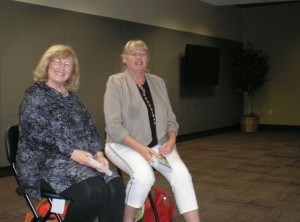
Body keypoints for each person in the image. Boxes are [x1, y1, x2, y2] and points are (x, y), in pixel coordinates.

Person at [16, 44, 125, 222]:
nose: (61, 67)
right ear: (47, 65)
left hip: (78, 160)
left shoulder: (74, 99)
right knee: (92, 193)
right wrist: (72, 153)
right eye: (57, 61)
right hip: (44, 162)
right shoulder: (34, 95)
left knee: (115, 186)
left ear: (72, 71)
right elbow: (36, 133)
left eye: (67, 64)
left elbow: (90, 128)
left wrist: (98, 153)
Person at [104, 40, 200, 222]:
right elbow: (114, 126)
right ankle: (128, 219)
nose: (138, 57)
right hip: (123, 145)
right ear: (124, 59)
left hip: (157, 148)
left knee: (181, 175)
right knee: (144, 176)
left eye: (143, 54)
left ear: (148, 59)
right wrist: (142, 150)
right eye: (133, 54)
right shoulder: (116, 82)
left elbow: (171, 119)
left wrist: (171, 140)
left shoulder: (158, 82)